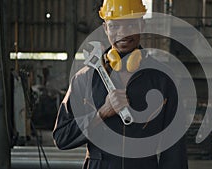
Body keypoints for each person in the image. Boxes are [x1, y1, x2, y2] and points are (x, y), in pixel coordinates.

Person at [53, 0, 188, 169]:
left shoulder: (163, 79)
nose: (123, 34)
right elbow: (62, 137)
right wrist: (101, 114)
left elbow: (174, 149)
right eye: (115, 26)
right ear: (105, 28)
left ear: (142, 24)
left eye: (130, 25)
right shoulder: (85, 78)